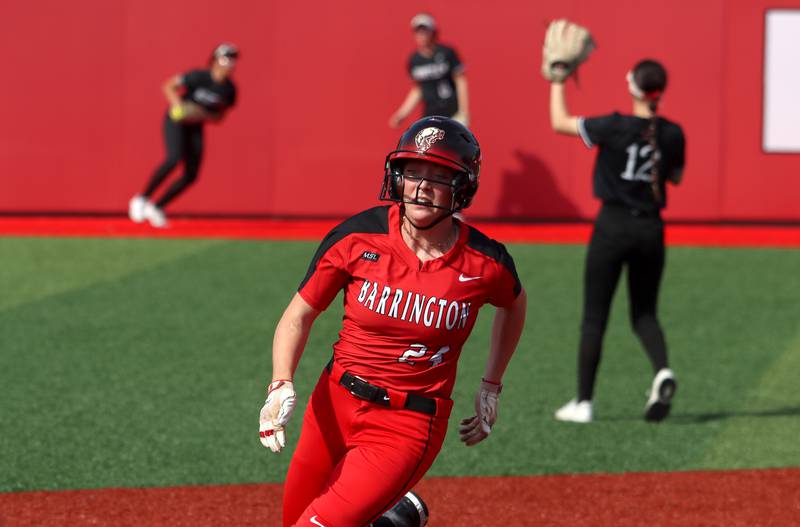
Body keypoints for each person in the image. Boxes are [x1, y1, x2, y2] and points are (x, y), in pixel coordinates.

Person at [258, 116, 527, 526]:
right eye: (412, 172)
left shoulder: (486, 262)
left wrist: (492, 383)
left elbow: (514, 304)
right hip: (333, 402)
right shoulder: (358, 236)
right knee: (294, 519)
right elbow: (299, 315)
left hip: (406, 423)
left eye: (438, 176)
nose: (421, 186)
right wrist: (281, 381)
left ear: (463, 187)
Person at [548, 59, 685, 423]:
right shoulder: (673, 133)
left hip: (612, 226)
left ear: (634, 88)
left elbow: (559, 123)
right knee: (644, 313)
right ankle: (662, 371)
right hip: (651, 230)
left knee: (595, 317)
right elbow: (677, 177)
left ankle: (584, 402)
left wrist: (558, 80)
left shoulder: (614, 126)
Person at [128, 43, 239, 228]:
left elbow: (220, 117)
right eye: (226, 59)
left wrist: (200, 114)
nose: (230, 64)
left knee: (192, 174)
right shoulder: (199, 76)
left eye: (233, 60)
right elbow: (168, 86)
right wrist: (180, 106)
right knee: (173, 158)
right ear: (215, 61)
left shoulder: (229, 90)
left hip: (195, 125)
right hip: (176, 121)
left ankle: (156, 207)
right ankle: (141, 199)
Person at [388, 13, 470, 128]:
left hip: (451, 111)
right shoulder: (414, 60)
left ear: (433, 32)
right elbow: (418, 89)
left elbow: (460, 80)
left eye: (425, 31)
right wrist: (402, 114)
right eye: (418, 31)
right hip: (430, 114)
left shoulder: (446, 53)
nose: (422, 35)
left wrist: (463, 112)